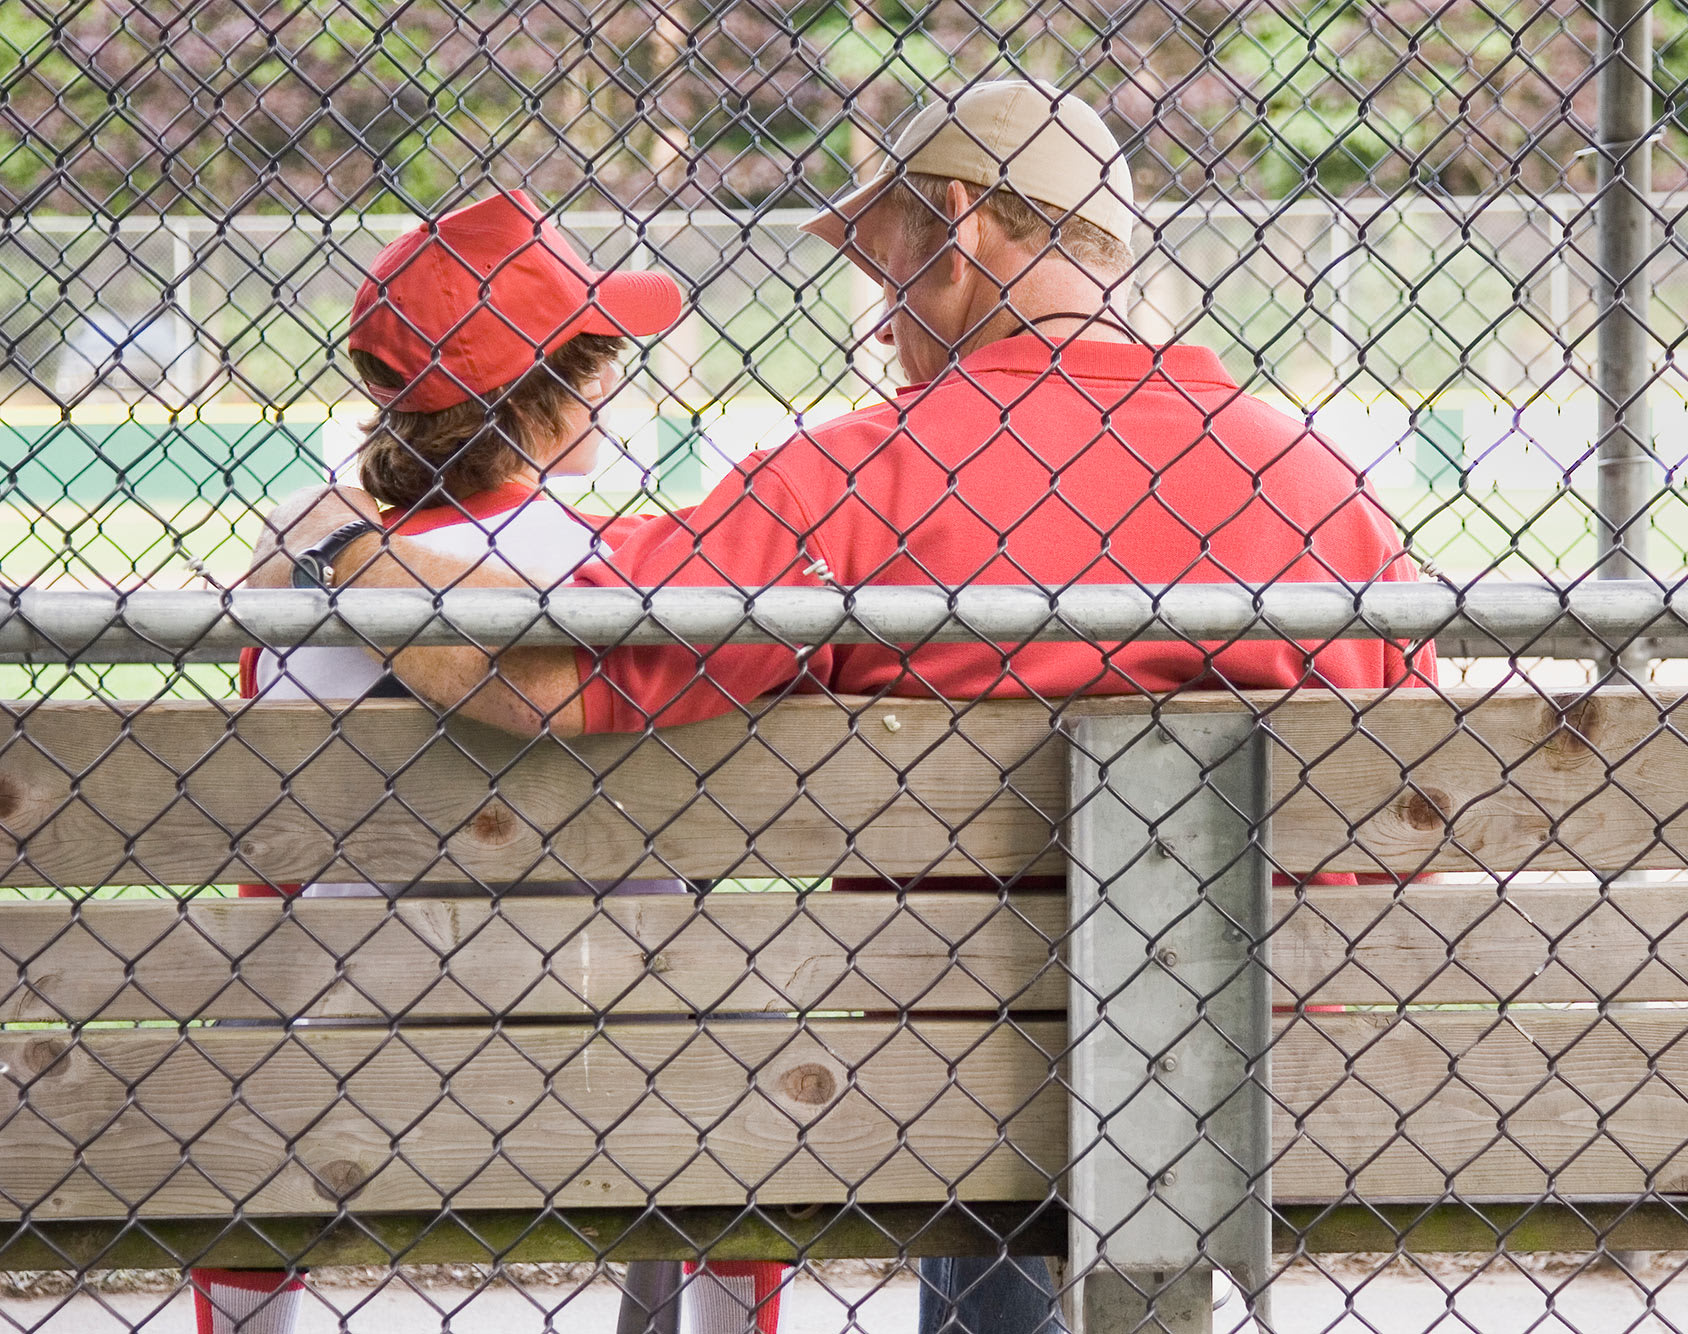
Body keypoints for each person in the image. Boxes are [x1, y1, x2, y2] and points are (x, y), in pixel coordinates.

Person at [251, 80, 1436, 1334]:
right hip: (1289, 1087)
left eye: (884, 264)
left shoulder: (855, 477)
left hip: (960, 1094)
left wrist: (337, 551)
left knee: (984, 1067)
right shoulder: (1323, 489)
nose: (877, 323)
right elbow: (1416, 809)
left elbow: (545, 676)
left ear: (964, 223)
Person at [205, 191, 788, 1334]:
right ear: (554, 395)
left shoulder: (304, 581)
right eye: (594, 358)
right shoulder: (627, 563)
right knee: (735, 1035)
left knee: (252, 1027)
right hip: (636, 1057)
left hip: (343, 1059)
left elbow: (261, 877)